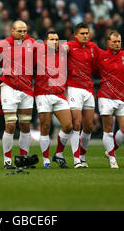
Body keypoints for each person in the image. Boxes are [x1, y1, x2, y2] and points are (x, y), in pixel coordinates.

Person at [0, 20, 36, 169]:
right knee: (10, 124)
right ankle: (7, 161)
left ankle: (24, 159)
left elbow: (48, 49)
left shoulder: (32, 44)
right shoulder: (3, 45)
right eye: (19, 31)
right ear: (12, 31)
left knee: (25, 125)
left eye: (25, 31)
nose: (23, 34)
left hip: (26, 89)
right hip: (9, 87)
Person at [95, 30, 124, 169]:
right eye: (114, 41)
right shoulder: (101, 56)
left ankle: (110, 151)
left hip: (123, 97)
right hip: (106, 97)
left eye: (119, 42)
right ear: (108, 42)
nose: (117, 44)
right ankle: (112, 159)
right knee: (108, 130)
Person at [35, 31, 73, 168]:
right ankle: (46, 160)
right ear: (45, 41)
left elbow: (79, 45)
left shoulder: (63, 51)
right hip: (43, 93)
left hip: (59, 94)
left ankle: (58, 154)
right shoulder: (38, 52)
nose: (55, 42)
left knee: (68, 125)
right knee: (45, 127)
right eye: (52, 39)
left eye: (57, 39)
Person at [64, 22, 99, 168]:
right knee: (76, 123)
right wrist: (60, 49)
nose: (85, 36)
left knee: (89, 126)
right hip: (74, 88)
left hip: (88, 89)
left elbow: (105, 56)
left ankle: (83, 157)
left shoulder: (93, 47)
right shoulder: (69, 46)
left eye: (87, 33)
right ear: (75, 35)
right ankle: (76, 159)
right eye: (82, 33)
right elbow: (51, 51)